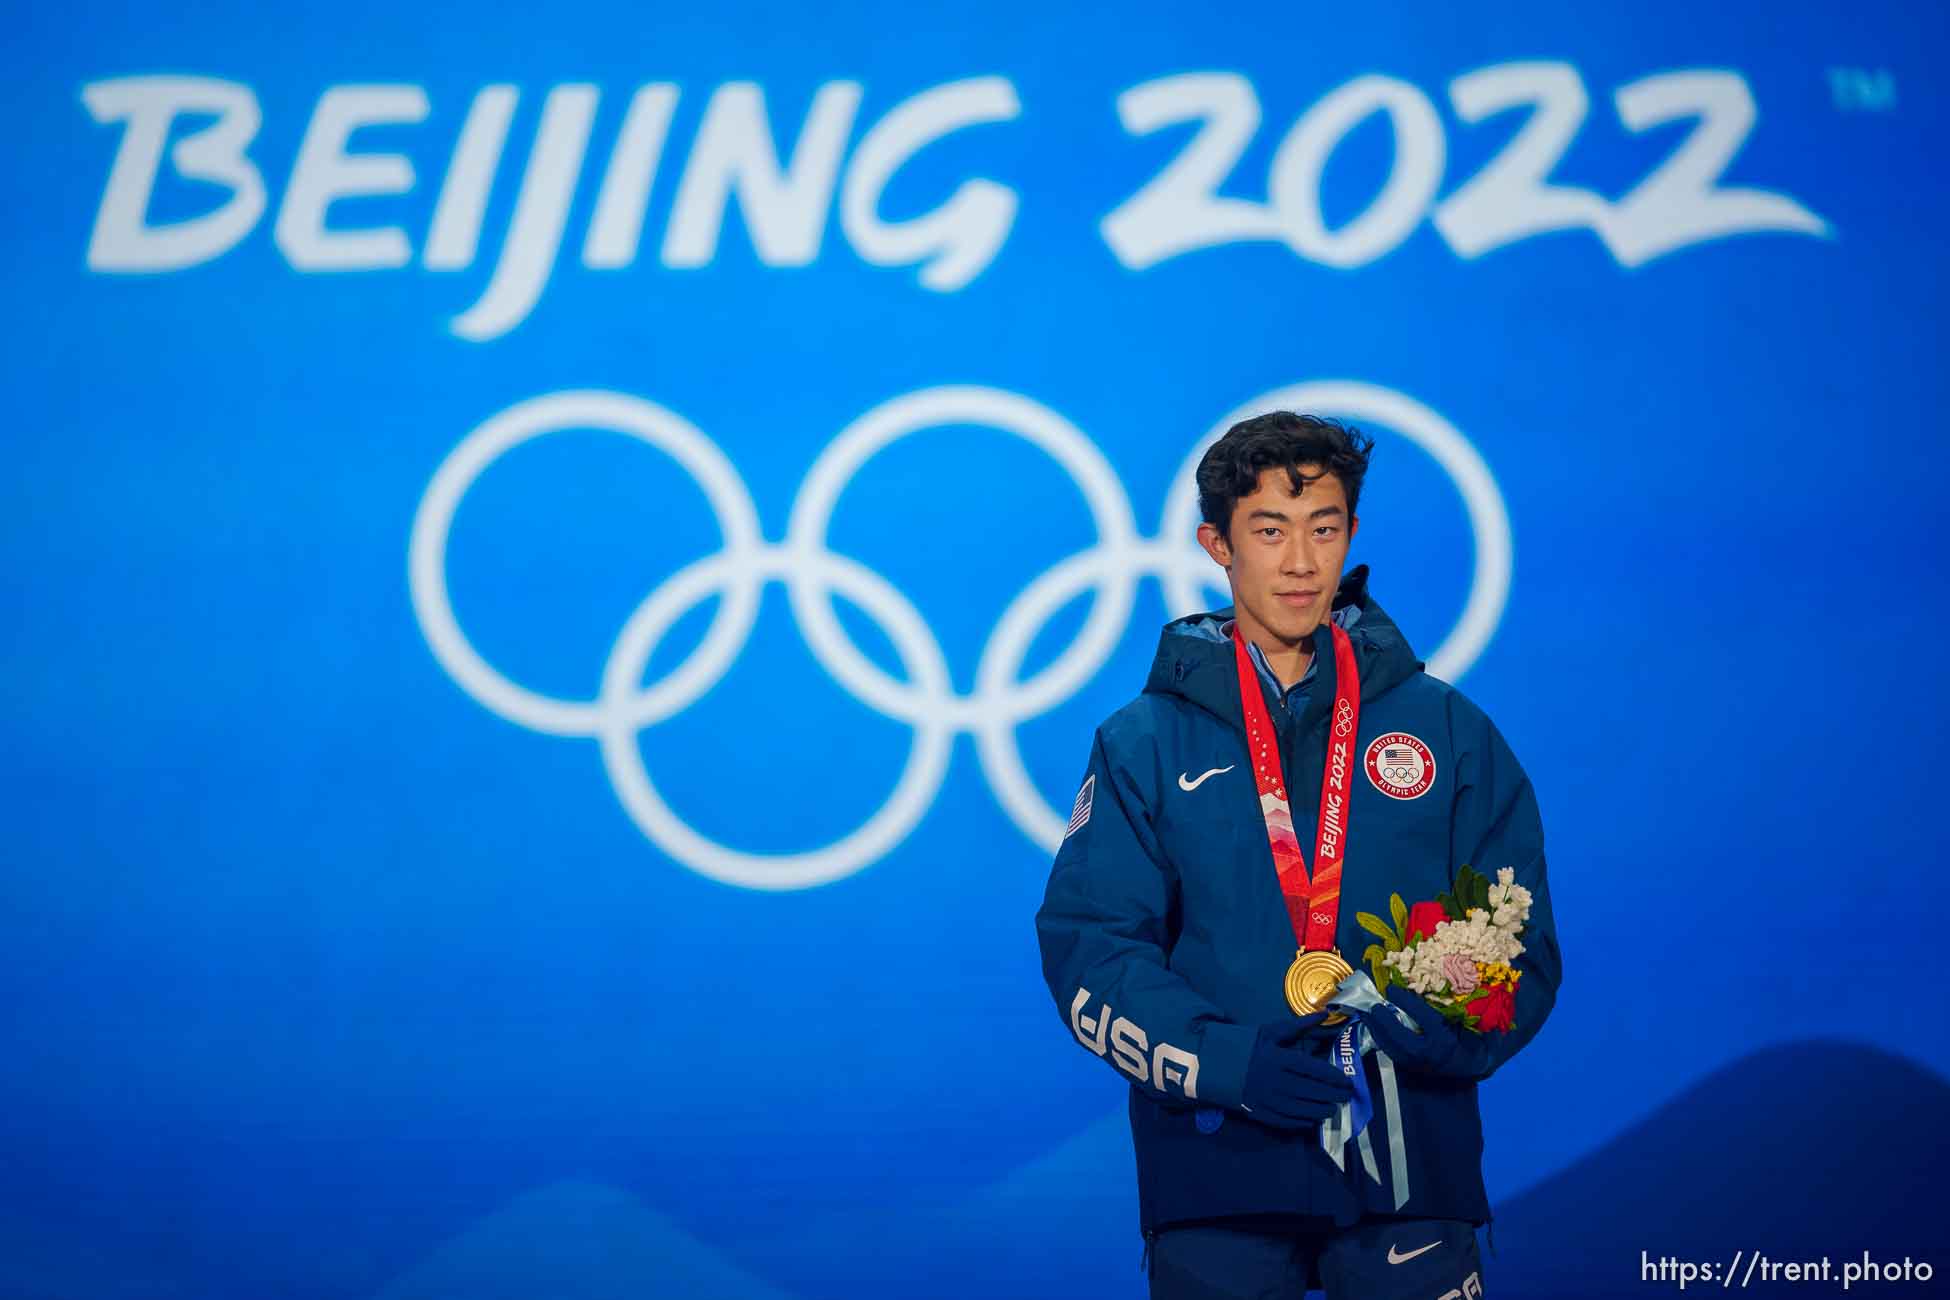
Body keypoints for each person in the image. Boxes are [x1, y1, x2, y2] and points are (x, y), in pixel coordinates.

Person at [1034, 412, 1562, 1299]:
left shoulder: (1445, 729)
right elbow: (1091, 953)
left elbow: (1522, 940)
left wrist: (1449, 1024)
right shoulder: (1145, 742)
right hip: (1216, 1170)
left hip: (1408, 1172)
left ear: (1352, 533)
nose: (1301, 562)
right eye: (1269, 532)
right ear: (1218, 544)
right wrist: (1219, 1063)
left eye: (1323, 529)